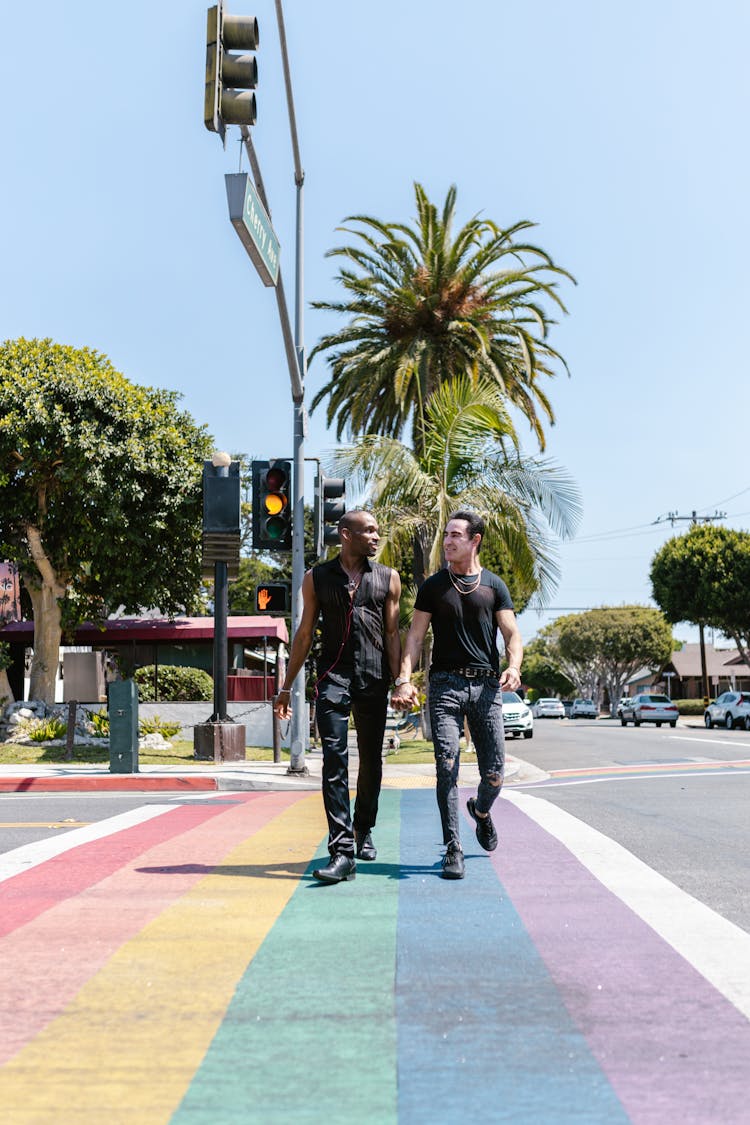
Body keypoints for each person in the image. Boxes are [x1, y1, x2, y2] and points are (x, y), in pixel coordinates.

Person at [392, 511, 523, 880]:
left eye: (455, 535)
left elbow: (512, 634)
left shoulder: (494, 586)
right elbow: (415, 636)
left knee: (495, 772)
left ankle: (480, 811)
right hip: (446, 685)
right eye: (446, 534)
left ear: (474, 540)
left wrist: (513, 667)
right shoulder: (434, 586)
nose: (447, 541)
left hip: (486, 687)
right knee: (446, 766)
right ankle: (454, 847)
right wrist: (404, 677)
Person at [273, 510, 402, 884]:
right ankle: (342, 851)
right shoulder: (316, 578)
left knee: (372, 762)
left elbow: (392, 634)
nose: (377, 537)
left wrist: (401, 682)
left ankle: (364, 828)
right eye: (369, 531)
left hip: (374, 678)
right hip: (332, 678)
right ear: (346, 534)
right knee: (334, 761)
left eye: (377, 531)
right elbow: (303, 634)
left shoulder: (388, 578)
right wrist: (285, 687)